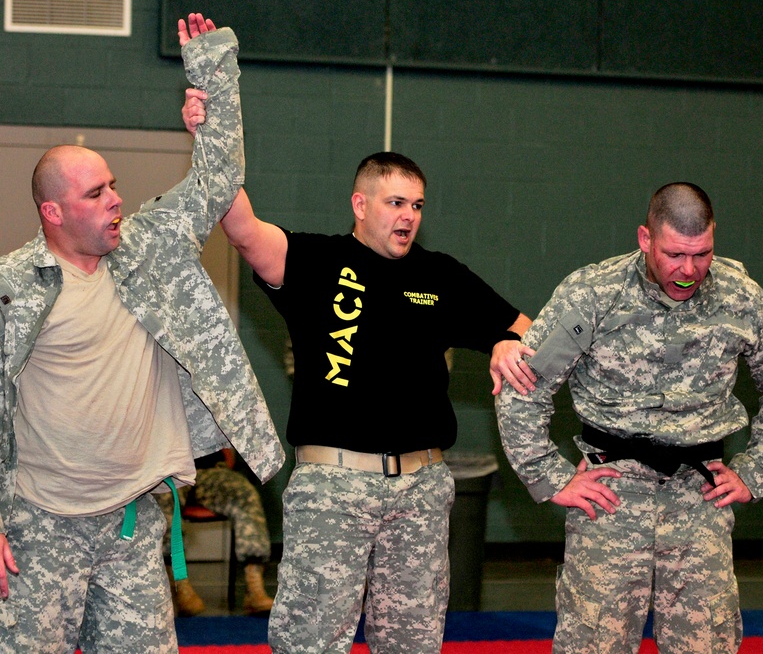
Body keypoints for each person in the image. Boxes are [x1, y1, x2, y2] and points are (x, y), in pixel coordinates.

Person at [0, 13, 283, 653]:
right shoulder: (6, 285)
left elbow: (217, 183)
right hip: (37, 530)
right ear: (53, 212)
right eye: (96, 193)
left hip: (131, 523)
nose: (115, 201)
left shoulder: (149, 248)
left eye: (114, 186)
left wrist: (212, 74)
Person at [209, 150, 537, 652]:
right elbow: (243, 228)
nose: (409, 216)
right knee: (310, 642)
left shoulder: (440, 276)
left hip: (421, 490)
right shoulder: (316, 261)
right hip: (333, 487)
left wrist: (505, 342)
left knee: (413, 643)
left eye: (418, 205)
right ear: (360, 204)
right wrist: (215, 134)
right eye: (396, 202)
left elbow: (527, 331)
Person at [496, 182, 763, 654]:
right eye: (674, 254)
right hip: (609, 497)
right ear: (645, 238)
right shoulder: (592, 294)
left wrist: (756, 471)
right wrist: (550, 476)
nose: (688, 271)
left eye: (702, 254)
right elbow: (523, 388)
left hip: (700, 499)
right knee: (592, 646)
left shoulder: (741, 297)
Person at [156, 447, 276, 616]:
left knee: (245, 493)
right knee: (162, 498)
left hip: (211, 470)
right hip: (169, 470)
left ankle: (254, 587)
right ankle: (179, 585)